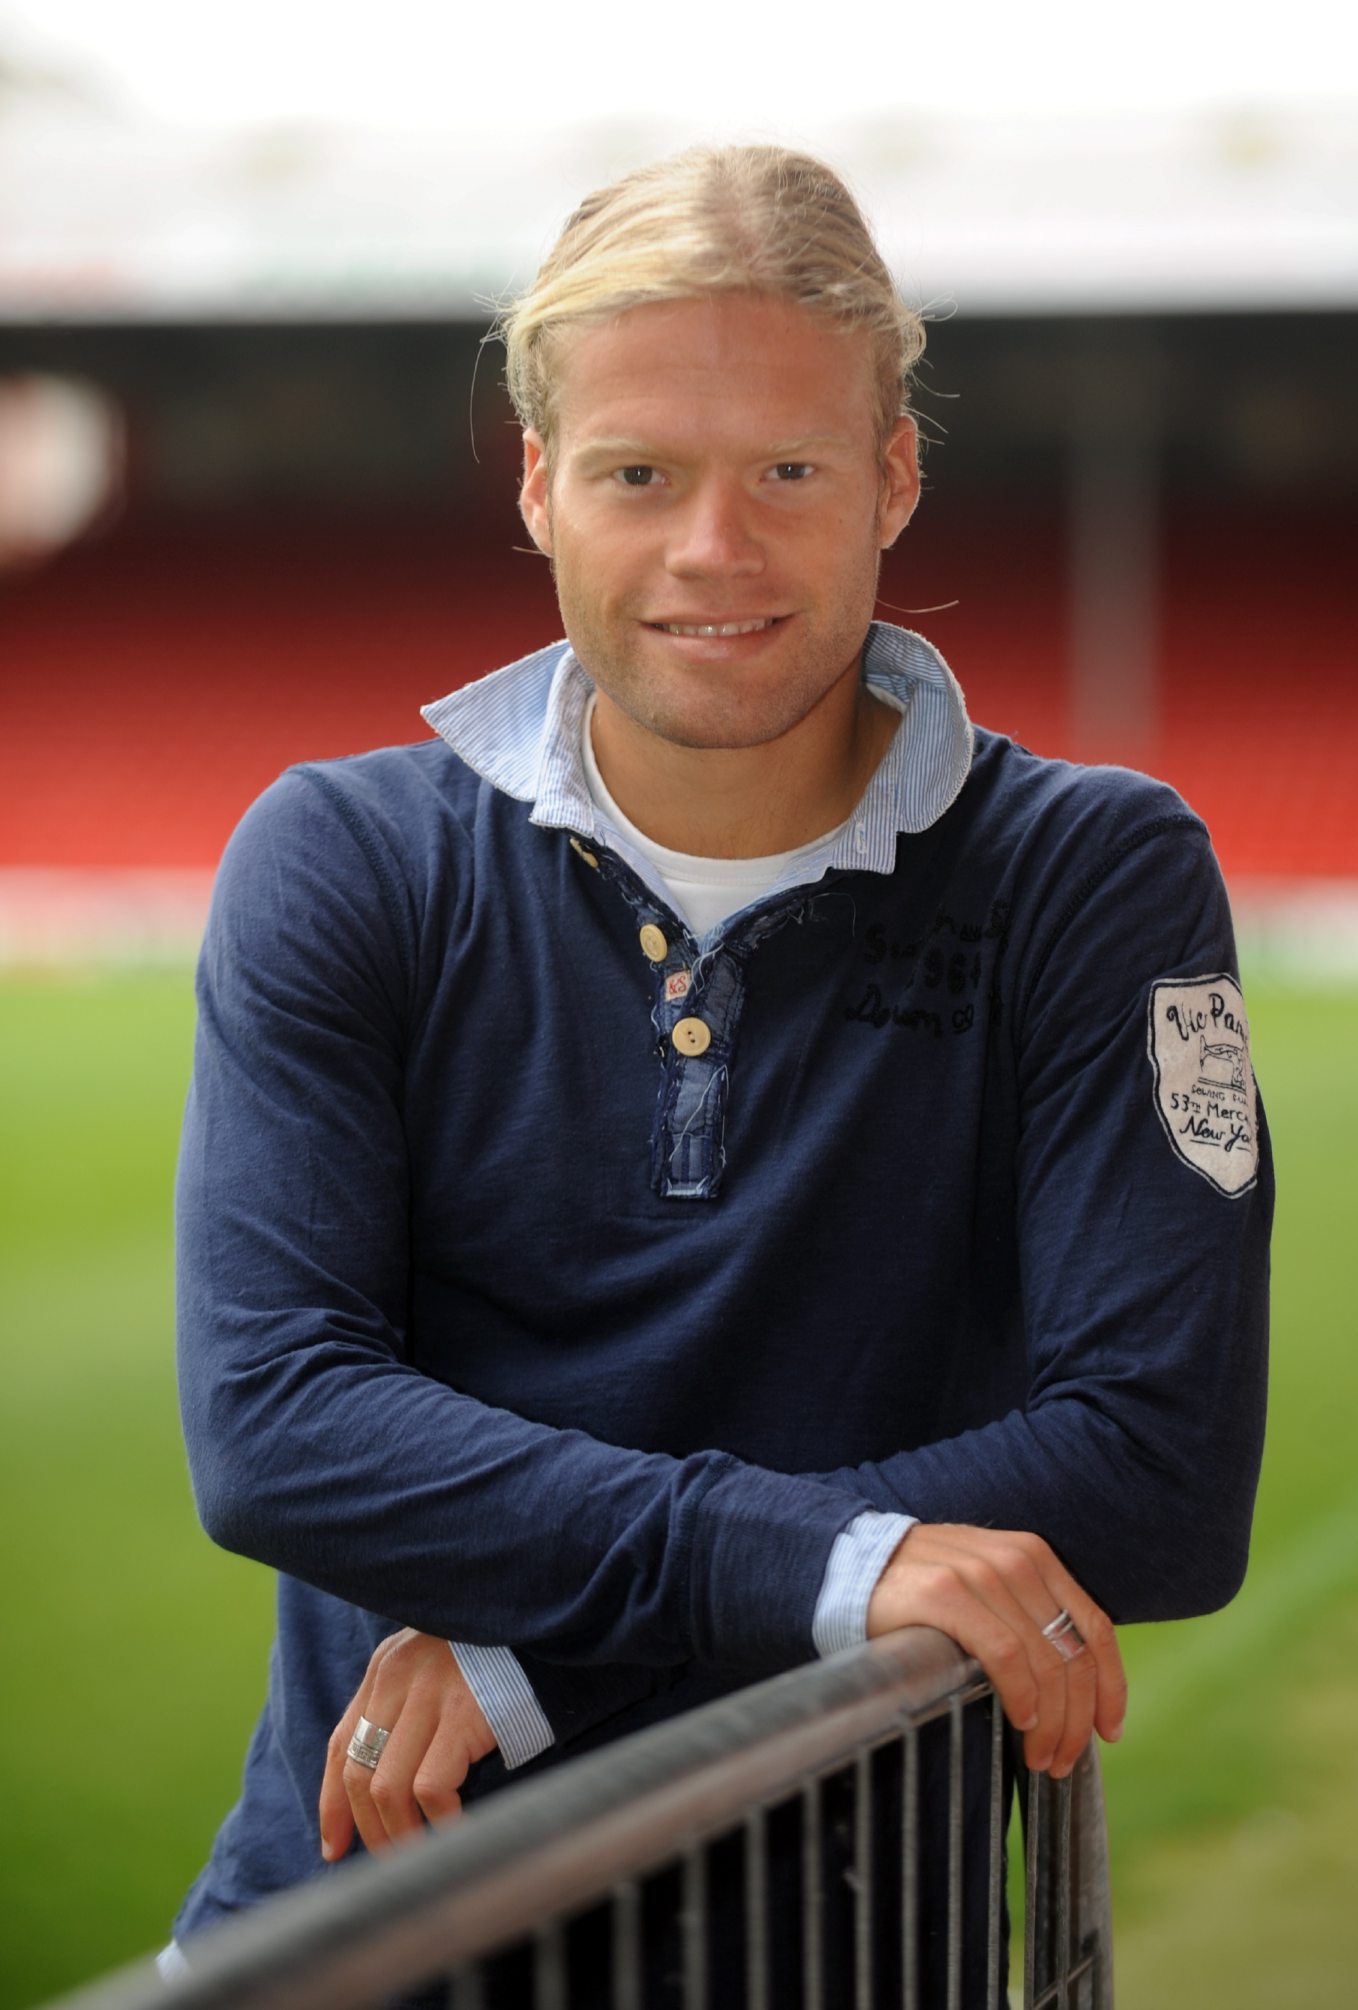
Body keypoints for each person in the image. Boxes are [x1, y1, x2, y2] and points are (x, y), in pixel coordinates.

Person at [166, 144, 1270, 2000]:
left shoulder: (1093, 872)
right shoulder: (343, 855)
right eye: (637, 474)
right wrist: (841, 1559)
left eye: (787, 469)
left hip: (845, 1938)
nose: (713, 548)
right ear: (538, 486)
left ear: (894, 476)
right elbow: (279, 1423)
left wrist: (545, 1656)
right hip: (354, 1932)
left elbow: (1158, 1466)